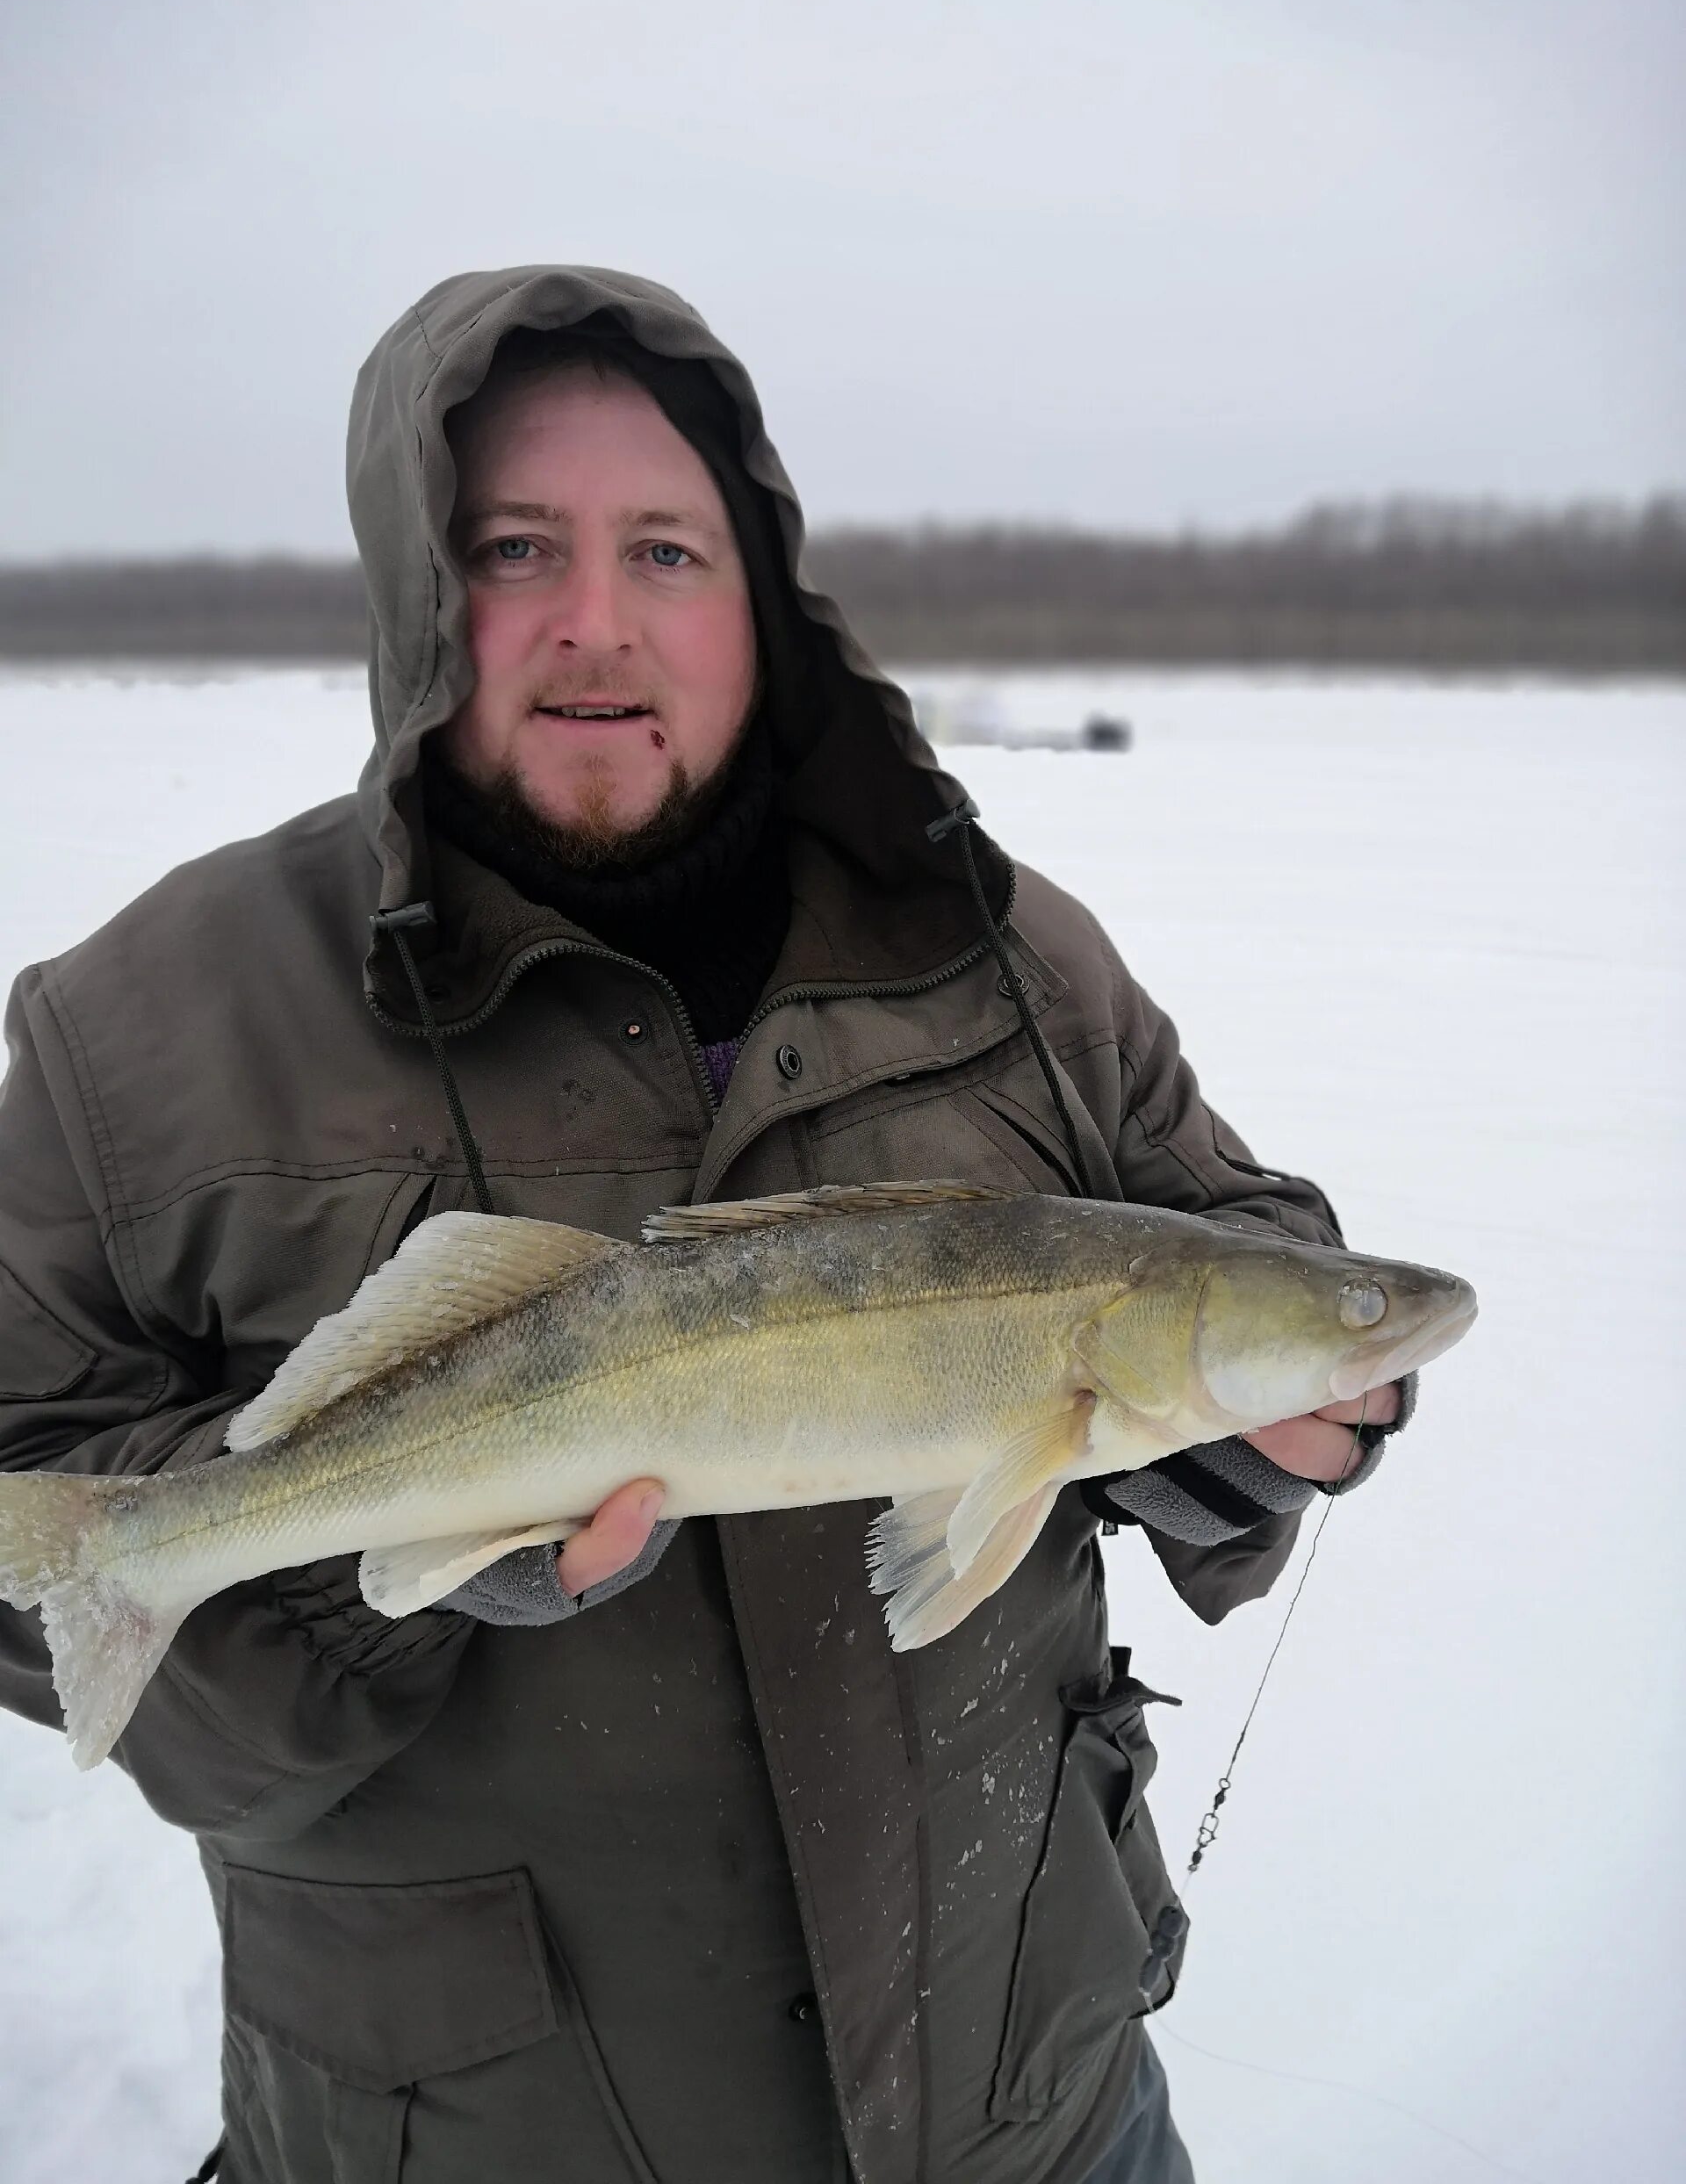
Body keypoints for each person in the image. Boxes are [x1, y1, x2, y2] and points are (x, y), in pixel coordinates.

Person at [0, 267, 1408, 2184]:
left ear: (764, 598)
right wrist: (371, 1556)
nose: (597, 621)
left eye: (668, 548)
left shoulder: (1008, 945)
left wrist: (1251, 1433)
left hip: (1040, 2110)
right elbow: (24, 1505)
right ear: (418, 591)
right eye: (514, 548)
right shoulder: (135, 1033)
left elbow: (1221, 1220)